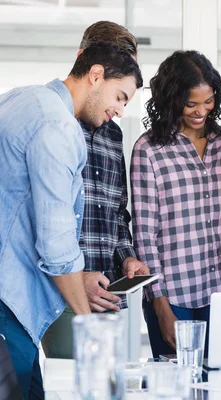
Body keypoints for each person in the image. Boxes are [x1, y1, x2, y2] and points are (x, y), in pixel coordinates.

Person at [0, 42, 142, 398]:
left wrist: (79, 275)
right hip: (9, 305)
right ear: (96, 75)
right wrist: (89, 325)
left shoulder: (19, 99)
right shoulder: (58, 127)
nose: (120, 110)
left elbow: (21, 212)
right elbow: (56, 242)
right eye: (120, 96)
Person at [41, 20, 149, 361]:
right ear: (93, 68)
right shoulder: (53, 123)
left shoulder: (114, 134)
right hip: (63, 293)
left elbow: (117, 213)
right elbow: (47, 223)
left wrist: (126, 256)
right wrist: (78, 279)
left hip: (109, 293)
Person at [131, 50, 221, 358]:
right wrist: (160, 305)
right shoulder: (148, 149)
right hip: (172, 295)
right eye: (191, 103)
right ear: (172, 98)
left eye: (208, 100)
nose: (201, 111)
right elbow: (145, 235)